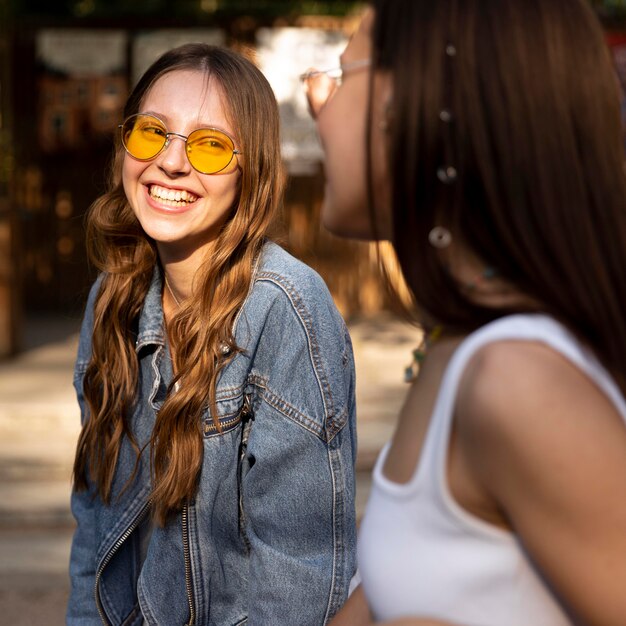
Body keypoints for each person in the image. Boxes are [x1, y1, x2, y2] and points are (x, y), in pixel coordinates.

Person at [301, 0, 626, 624]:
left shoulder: (516, 380)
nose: (320, 106)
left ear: (415, 105)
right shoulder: (456, 346)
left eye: (342, 78)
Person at [67, 43, 358, 626]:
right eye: (152, 133)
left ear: (252, 170)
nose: (171, 163)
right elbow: (97, 530)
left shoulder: (287, 310)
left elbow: (294, 579)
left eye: (209, 145)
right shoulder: (113, 297)